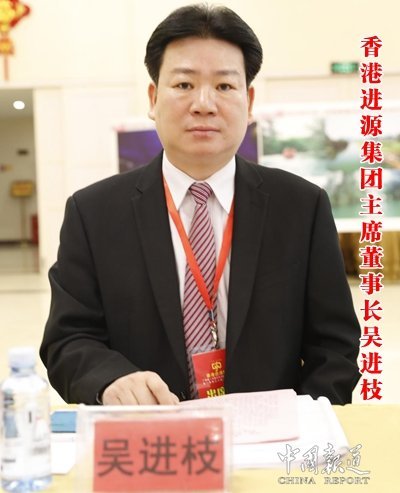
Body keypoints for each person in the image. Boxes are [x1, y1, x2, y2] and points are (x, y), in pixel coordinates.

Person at [40, 4, 360, 406]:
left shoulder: (301, 207)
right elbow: (68, 340)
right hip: (150, 433)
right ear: (154, 98)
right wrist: (110, 381)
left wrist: (303, 421)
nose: (204, 103)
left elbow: (335, 346)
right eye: (184, 84)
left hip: (274, 437)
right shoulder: (93, 213)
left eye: (224, 86)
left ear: (249, 100)